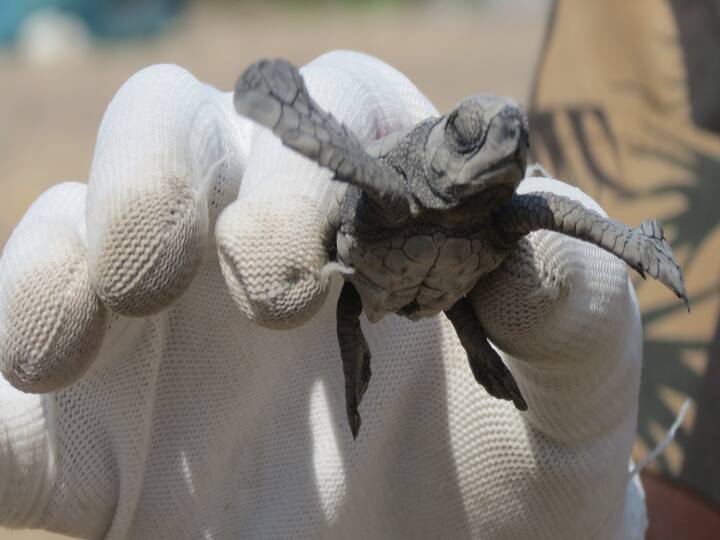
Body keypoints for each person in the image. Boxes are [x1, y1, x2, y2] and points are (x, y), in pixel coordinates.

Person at [0, 51, 647, 539]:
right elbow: (347, 163)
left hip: (457, 302)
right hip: (361, 284)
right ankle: (359, 375)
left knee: (507, 281)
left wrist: (633, 242)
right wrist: (293, 110)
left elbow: (573, 221)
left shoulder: (506, 219)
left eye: (517, 142)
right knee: (334, 302)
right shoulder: (392, 187)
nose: (504, 149)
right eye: (475, 137)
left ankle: (471, 359)